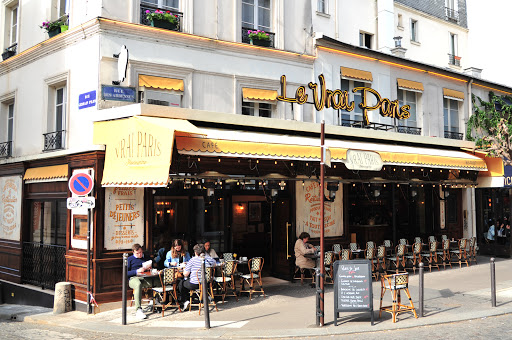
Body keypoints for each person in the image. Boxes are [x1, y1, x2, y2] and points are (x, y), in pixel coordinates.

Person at [179, 243, 216, 310]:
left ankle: (185, 301)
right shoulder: (208, 259)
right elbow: (214, 264)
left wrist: (185, 269)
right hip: (206, 283)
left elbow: (185, 274)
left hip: (195, 284)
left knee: (181, 283)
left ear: (195, 252)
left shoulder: (192, 260)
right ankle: (206, 296)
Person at [127, 243, 153, 320]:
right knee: (138, 285)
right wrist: (137, 271)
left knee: (159, 281)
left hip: (145, 277)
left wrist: (149, 268)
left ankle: (155, 301)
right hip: (134, 278)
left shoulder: (146, 257)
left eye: (141, 252)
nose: (140, 255)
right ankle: (138, 309)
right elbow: (125, 273)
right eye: (137, 253)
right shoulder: (130, 259)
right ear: (133, 252)